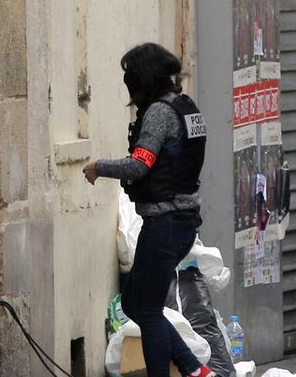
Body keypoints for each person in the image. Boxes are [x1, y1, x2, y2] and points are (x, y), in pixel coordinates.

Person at [82, 43, 213, 377]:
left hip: (166, 222)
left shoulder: (158, 112)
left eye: (131, 75)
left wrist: (99, 167)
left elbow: (140, 165)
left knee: (150, 310)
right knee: (132, 303)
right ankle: (194, 369)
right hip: (180, 221)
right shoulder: (186, 106)